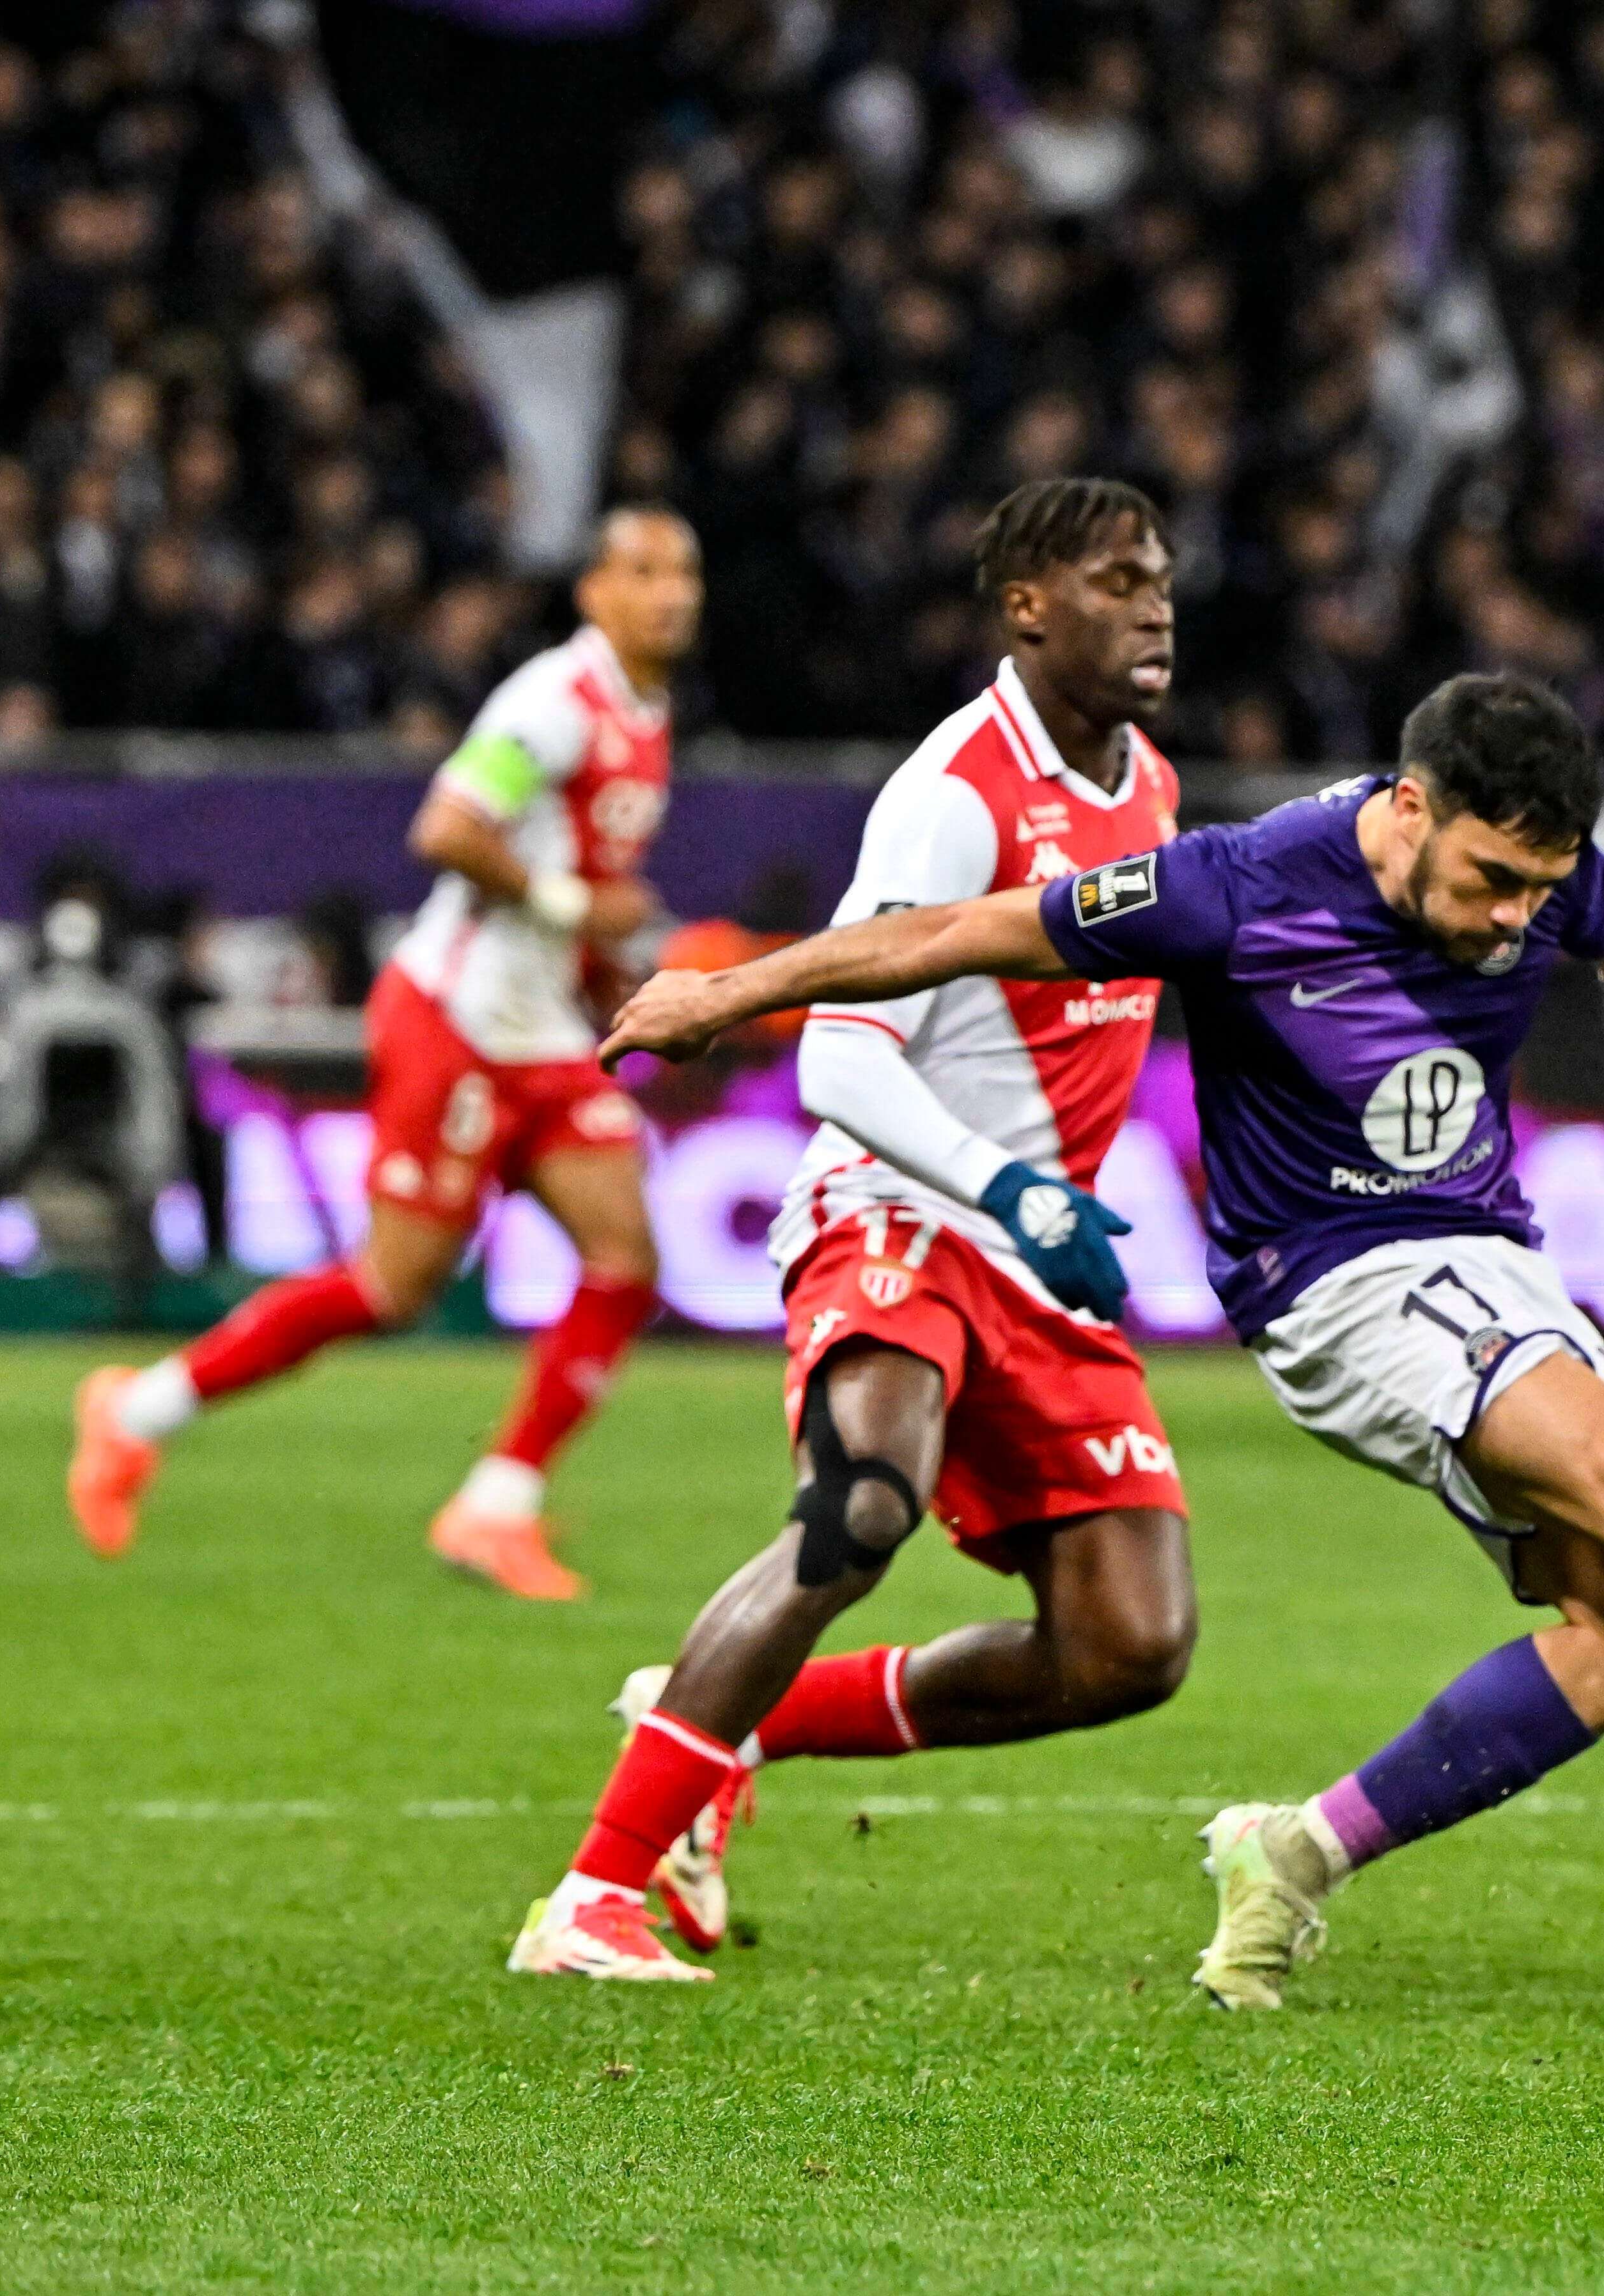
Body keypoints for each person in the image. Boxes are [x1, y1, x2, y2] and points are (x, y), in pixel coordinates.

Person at [591, 671, 1604, 2009]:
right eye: (1492, 883)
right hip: (1342, 1282)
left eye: (1535, 894)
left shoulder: (1545, 875)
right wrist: (727, 993)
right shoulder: (1238, 885)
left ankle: (1293, 1856)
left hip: (1492, 1263)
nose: (1515, 922)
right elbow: (947, 931)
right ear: (1409, 809)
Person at [508, 478, 1194, 1983]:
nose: (1154, 603)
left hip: (1040, 1256)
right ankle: (592, 1899)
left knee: (1129, 1646)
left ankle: (713, 1734)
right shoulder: (957, 791)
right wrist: (1006, 1186)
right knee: (860, 1507)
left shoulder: (1147, 784)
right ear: (1026, 605)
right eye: (1115, 579)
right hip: (902, 1207)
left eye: (1160, 578)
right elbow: (837, 1054)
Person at [63, 507, 704, 1599]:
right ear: (592, 590)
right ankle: (135, 1411)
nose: (671, 592)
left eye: (684, 572)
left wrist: (605, 980)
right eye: (642, 571)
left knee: (626, 1257)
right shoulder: (556, 701)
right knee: (394, 1284)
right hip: (452, 1019)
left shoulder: (648, 711)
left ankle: (496, 1504)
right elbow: (447, 828)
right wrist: (574, 906)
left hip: (541, 1034)